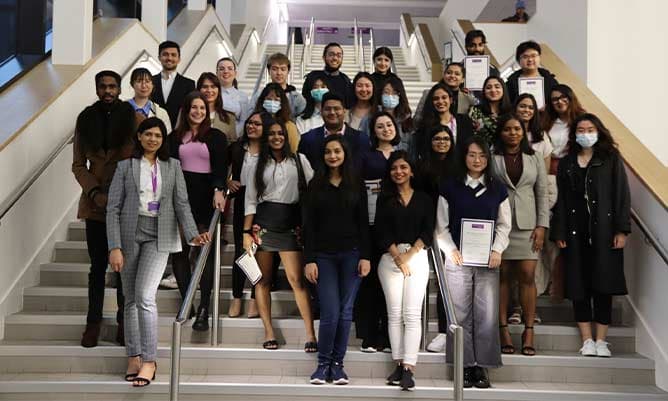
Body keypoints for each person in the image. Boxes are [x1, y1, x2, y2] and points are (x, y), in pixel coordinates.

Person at [106, 117, 210, 387]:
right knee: (129, 299)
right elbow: (113, 209)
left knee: (144, 296)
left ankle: (150, 360)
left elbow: (182, 204)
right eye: (148, 134)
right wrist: (114, 246)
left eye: (158, 136)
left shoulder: (173, 166)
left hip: (160, 234)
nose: (153, 139)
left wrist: (191, 235)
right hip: (130, 234)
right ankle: (134, 355)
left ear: (163, 140)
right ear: (139, 137)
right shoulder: (125, 167)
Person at [551, 113, 631, 358]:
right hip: (575, 232)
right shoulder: (566, 163)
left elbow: (621, 195)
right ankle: (586, 339)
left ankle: (601, 340)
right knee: (578, 284)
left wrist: (621, 229)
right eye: (581, 129)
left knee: (603, 284)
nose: (586, 134)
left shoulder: (610, 159)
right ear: (574, 134)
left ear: (598, 131)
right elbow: (561, 200)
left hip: (605, 232)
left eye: (590, 129)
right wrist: (560, 230)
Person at [435, 136, 511, 389]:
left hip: (488, 261)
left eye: (481, 156)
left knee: (486, 316)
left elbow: (504, 225)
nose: (477, 160)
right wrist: (451, 250)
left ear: (488, 159)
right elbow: (440, 227)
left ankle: (482, 367)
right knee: (459, 316)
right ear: (463, 157)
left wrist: (497, 250)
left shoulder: (498, 189)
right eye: (471, 155)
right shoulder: (450, 187)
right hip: (458, 260)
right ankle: (464, 366)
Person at [72, 70, 135, 348]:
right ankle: (93, 324)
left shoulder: (134, 118)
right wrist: (94, 191)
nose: (108, 91)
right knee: (97, 267)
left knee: (124, 269)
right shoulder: (85, 119)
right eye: (103, 87)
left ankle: (124, 322)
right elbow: (77, 165)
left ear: (120, 89)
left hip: (124, 206)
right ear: (97, 89)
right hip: (95, 205)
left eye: (112, 86)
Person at [243, 118, 317, 351]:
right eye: (272, 133)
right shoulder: (258, 164)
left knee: (297, 279)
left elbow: (314, 189)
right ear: (267, 137)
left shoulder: (299, 160)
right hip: (264, 224)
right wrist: (246, 231)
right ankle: (268, 332)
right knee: (263, 280)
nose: (276, 137)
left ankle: (310, 335)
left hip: (290, 222)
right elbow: (250, 201)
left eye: (280, 134)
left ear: (286, 137)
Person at [303, 135, 370, 385]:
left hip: (352, 254)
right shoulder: (315, 185)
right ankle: (323, 365)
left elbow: (363, 223)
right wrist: (309, 259)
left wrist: (365, 256)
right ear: (323, 155)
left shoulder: (356, 184)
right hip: (323, 257)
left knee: (345, 312)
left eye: (337, 151)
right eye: (328, 152)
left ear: (345, 154)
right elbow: (308, 227)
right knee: (330, 311)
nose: (333, 156)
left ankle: (338, 366)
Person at [168, 92, 228, 331]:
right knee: (180, 252)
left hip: (206, 198)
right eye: (194, 107)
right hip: (181, 197)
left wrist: (218, 189)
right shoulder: (173, 138)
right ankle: (187, 300)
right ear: (186, 109)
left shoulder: (216, 136)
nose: (198, 112)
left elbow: (221, 168)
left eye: (202, 108)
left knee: (205, 254)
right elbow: (170, 169)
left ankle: (204, 308)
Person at [376, 150, 435, 391]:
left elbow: (428, 230)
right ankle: (398, 364)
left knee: (411, 314)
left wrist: (409, 256)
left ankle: (409, 367)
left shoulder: (424, 199)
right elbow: (380, 230)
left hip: (417, 257)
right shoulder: (384, 198)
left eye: (403, 167)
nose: (398, 172)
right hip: (390, 259)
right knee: (395, 314)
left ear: (411, 170)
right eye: (394, 168)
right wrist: (397, 256)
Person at [492, 114, 549, 356]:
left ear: (522, 132)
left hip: (528, 225)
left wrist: (542, 226)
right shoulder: (492, 157)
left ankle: (528, 331)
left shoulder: (534, 157)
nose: (513, 133)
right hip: (500, 224)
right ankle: (503, 330)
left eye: (516, 129)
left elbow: (542, 193)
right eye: (507, 129)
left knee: (527, 275)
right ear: (501, 132)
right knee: (503, 277)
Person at [356, 112, 400, 354]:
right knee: (370, 281)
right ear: (373, 131)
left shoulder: (402, 156)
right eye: (380, 126)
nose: (386, 129)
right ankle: (370, 334)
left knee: (392, 283)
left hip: (395, 227)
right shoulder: (365, 156)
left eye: (389, 125)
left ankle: (389, 333)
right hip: (371, 224)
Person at [510, 93, 553, 324]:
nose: (526, 110)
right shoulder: (504, 135)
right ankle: (515, 308)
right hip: (508, 216)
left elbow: (542, 183)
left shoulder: (541, 138)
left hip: (530, 213)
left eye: (530, 107)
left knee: (529, 270)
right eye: (522, 105)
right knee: (510, 272)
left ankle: (529, 311)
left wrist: (541, 222)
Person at [539, 84, 585, 300]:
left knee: (569, 231)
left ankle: (567, 285)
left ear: (570, 97)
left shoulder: (582, 120)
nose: (559, 101)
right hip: (549, 177)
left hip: (574, 178)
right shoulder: (545, 121)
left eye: (563, 97)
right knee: (549, 232)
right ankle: (550, 283)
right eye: (554, 99)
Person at [226, 111, 271, 318]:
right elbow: (222, 171)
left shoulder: (270, 151)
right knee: (240, 251)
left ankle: (255, 298)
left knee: (258, 252)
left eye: (258, 124)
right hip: (242, 202)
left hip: (263, 203)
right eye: (250, 123)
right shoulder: (237, 148)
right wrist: (227, 182)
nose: (252, 126)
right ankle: (236, 298)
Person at [417, 125, 456, 353]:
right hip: (425, 228)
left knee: (445, 282)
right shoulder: (422, 166)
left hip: (449, 231)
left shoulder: (458, 166)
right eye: (437, 138)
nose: (441, 142)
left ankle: (444, 330)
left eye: (445, 138)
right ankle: (416, 330)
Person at [299, 92, 371, 170]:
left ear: (344, 111)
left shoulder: (360, 139)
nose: (332, 112)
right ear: (321, 111)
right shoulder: (308, 139)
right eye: (327, 109)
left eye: (336, 109)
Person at [414, 83, 474, 160]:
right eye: (436, 98)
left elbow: (469, 146)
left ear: (451, 100)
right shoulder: (425, 124)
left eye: (444, 97)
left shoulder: (464, 121)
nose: (440, 101)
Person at [151, 41, 196, 128]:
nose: (169, 58)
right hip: (153, 133)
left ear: (179, 59)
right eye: (165, 54)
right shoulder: (150, 82)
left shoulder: (189, 84)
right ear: (159, 57)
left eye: (173, 55)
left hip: (179, 133)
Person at [251, 53, 306, 119]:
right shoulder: (259, 95)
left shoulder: (296, 97)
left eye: (283, 69)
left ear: (288, 71)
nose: (279, 73)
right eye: (274, 69)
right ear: (269, 71)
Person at [302, 42, 354, 108]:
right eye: (331, 55)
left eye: (339, 55)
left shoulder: (346, 81)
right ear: (324, 57)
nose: (335, 58)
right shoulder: (313, 77)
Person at [505, 41, 558, 105]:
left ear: (539, 57)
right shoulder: (511, 83)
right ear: (518, 60)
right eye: (525, 57)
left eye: (533, 56)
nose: (530, 59)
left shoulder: (550, 80)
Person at [253, 82, 300, 153]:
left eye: (276, 100)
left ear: (282, 103)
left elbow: (293, 150)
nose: (272, 102)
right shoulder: (255, 124)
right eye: (269, 99)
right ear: (262, 101)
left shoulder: (289, 126)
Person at [469, 76, 512, 146]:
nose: (493, 90)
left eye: (497, 87)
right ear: (484, 91)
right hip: (481, 152)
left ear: (503, 89)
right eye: (488, 88)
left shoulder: (511, 112)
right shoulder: (475, 111)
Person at [127, 67, 172, 133]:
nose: (144, 86)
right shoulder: (122, 108)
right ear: (132, 84)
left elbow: (166, 136)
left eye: (147, 81)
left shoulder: (161, 113)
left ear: (152, 85)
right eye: (139, 81)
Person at [197, 72, 237, 142]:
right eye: (205, 87)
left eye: (213, 87)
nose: (209, 90)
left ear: (219, 90)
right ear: (199, 90)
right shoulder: (187, 113)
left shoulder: (229, 117)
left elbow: (232, 144)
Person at [216, 57, 251, 137]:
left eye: (230, 69)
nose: (226, 71)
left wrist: (232, 135)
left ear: (235, 73)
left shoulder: (242, 96)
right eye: (221, 69)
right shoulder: (211, 93)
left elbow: (244, 121)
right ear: (217, 73)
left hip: (233, 138)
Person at [379, 76, 413, 152]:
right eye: (386, 92)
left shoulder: (406, 120)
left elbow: (412, 150)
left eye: (394, 93)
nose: (390, 96)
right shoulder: (371, 117)